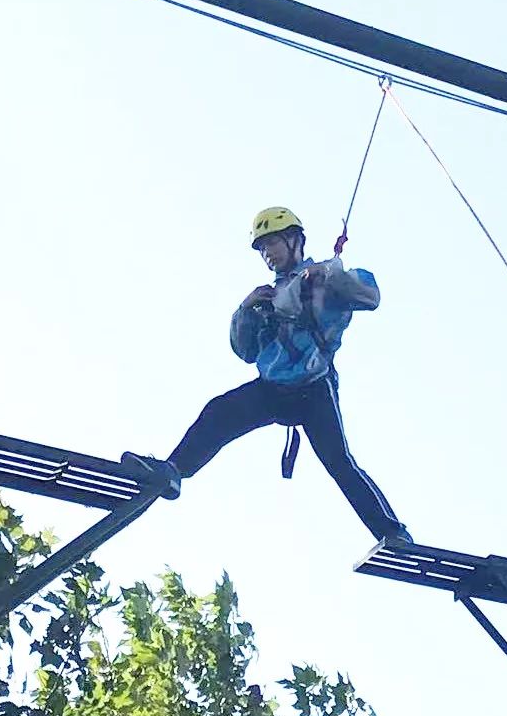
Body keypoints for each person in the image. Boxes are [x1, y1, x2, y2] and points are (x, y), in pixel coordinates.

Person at [121, 206, 412, 548]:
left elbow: (369, 297)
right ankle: (172, 472)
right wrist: (245, 309)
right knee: (218, 412)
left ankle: (392, 533)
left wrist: (331, 275)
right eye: (262, 249)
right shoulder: (267, 298)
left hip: (313, 389)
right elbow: (245, 352)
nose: (268, 254)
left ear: (294, 241)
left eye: (272, 244)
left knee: (340, 462)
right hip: (273, 389)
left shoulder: (324, 281)